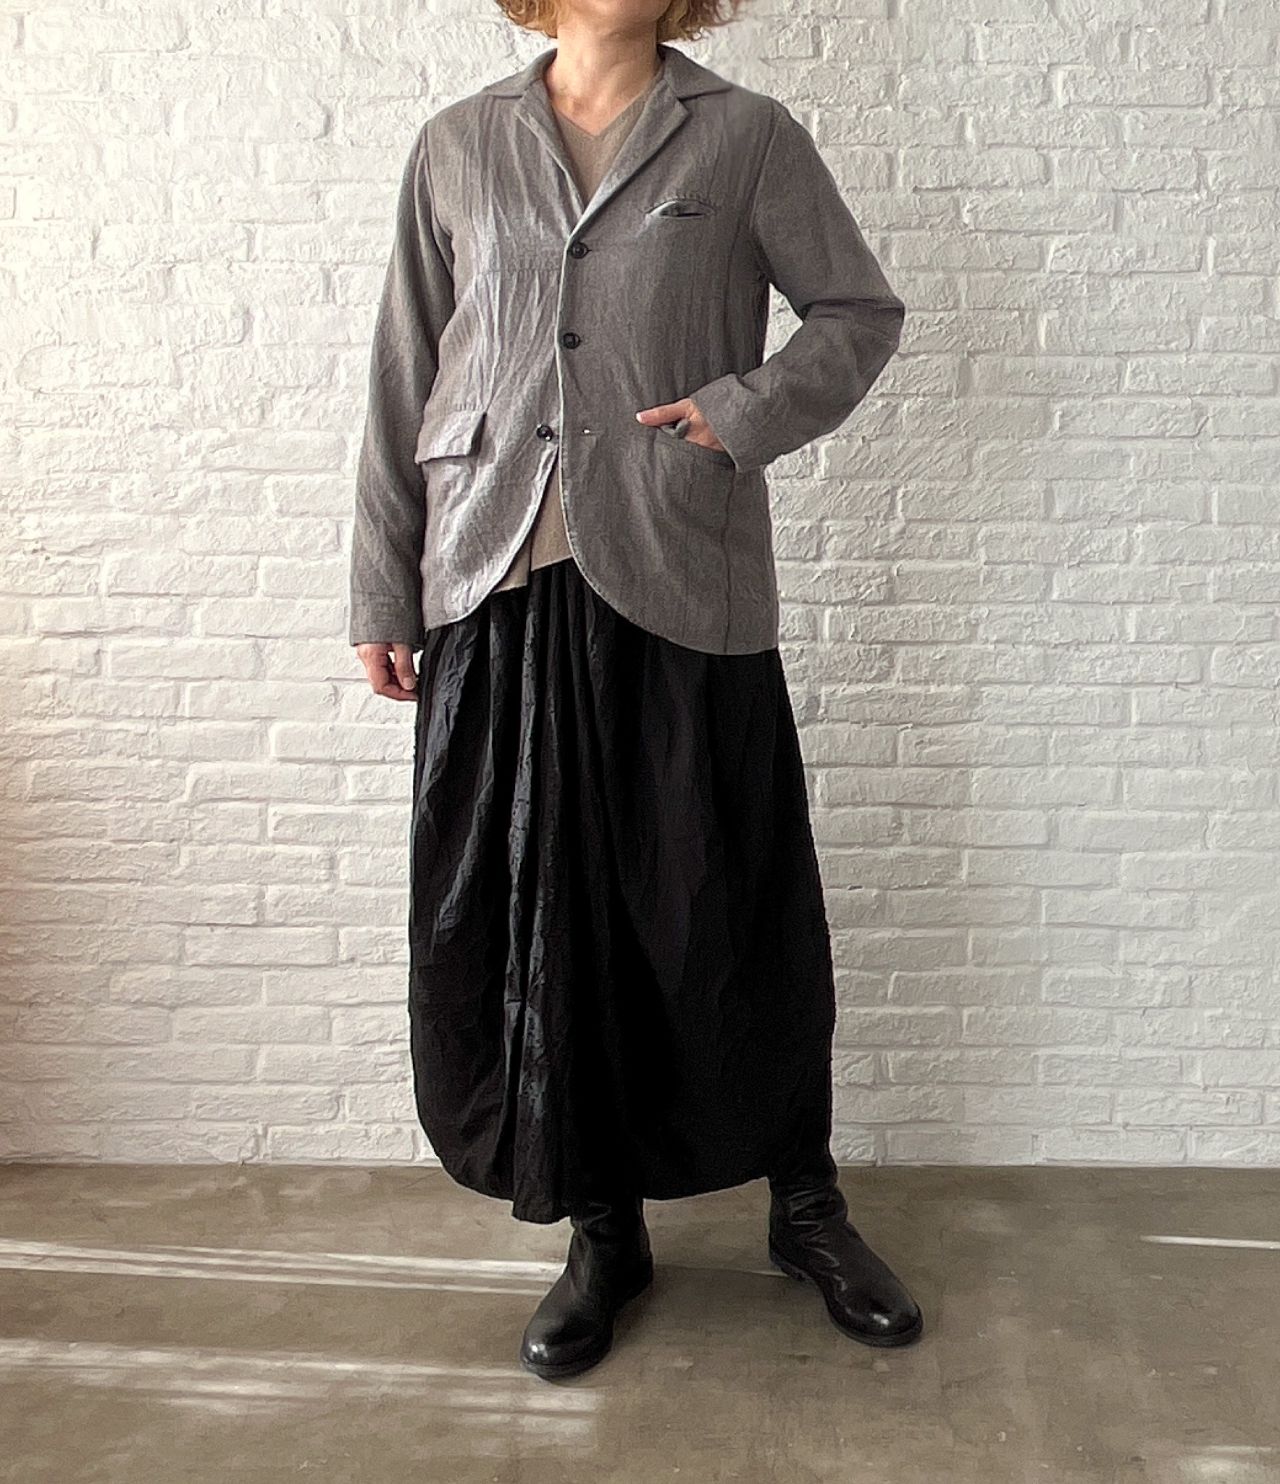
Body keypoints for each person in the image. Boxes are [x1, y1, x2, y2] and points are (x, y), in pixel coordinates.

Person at [348, 0, 924, 1380]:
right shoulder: (457, 144)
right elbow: (404, 369)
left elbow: (857, 313)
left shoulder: (747, 136)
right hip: (494, 571)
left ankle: (806, 1206)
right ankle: (604, 1230)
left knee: (731, 897)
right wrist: (382, 589)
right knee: (550, 915)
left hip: (680, 567)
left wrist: (739, 412)